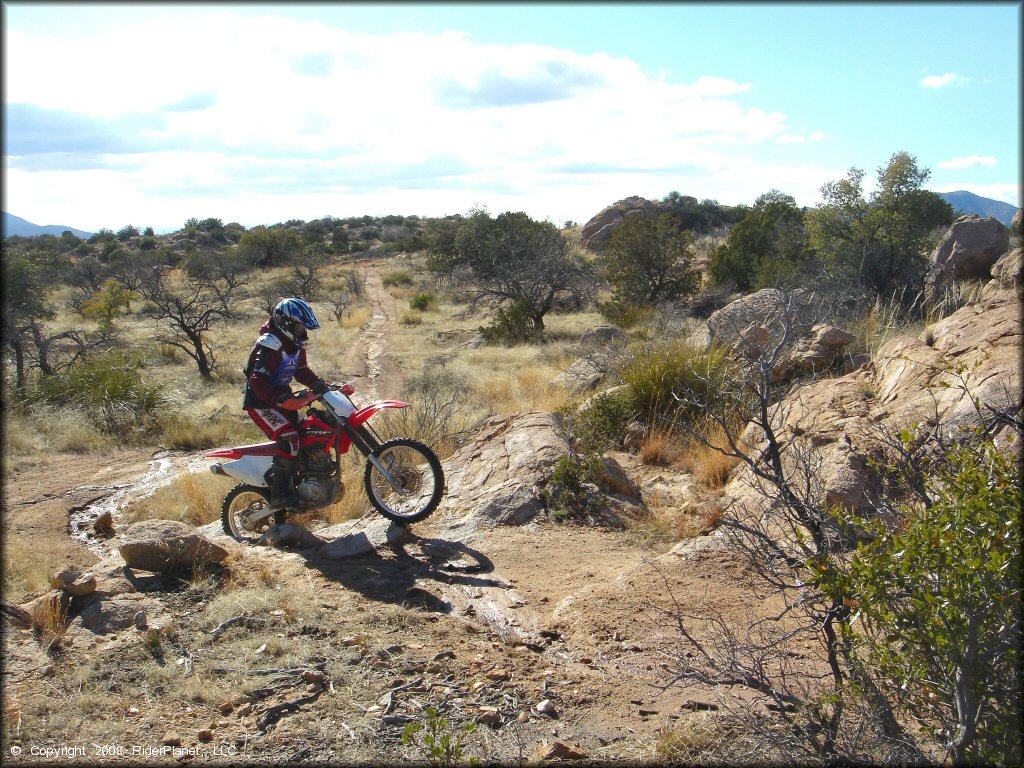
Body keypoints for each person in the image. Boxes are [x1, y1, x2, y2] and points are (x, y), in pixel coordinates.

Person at [243, 297, 333, 510]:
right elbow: (257, 380)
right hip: (261, 404)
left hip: (283, 400)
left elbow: (301, 371)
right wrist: (277, 399)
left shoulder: (294, 344)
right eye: (299, 326)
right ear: (286, 323)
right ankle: (280, 495)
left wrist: (317, 383)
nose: (303, 331)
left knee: (310, 432)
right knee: (290, 438)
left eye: (304, 326)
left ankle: (304, 482)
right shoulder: (269, 344)